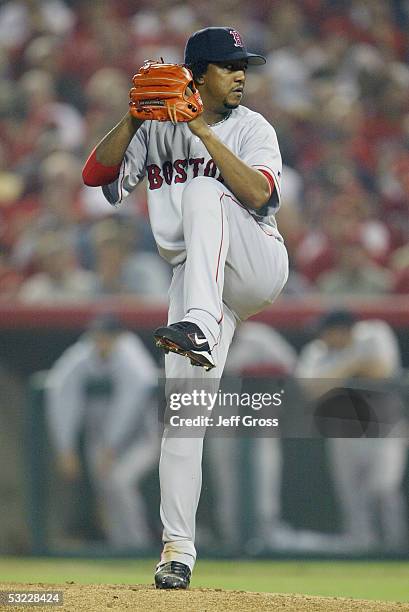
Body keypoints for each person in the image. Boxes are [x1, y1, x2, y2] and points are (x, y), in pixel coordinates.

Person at [82, 27, 288, 588]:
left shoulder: (252, 127)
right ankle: (177, 551)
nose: (241, 73)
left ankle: (198, 321)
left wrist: (198, 126)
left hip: (253, 263)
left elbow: (263, 196)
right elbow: (96, 176)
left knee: (204, 191)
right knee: (182, 423)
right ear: (197, 73)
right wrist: (133, 118)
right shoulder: (154, 131)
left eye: (243, 64)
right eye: (228, 65)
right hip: (194, 282)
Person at [296, 310, 408, 552]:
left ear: (342, 330)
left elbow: (382, 370)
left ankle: (394, 548)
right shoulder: (317, 350)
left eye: (327, 332)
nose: (322, 337)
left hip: (384, 429)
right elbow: (310, 388)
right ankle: (361, 549)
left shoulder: (374, 333)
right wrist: (353, 364)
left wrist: (335, 374)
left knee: (383, 490)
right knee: (352, 497)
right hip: (343, 432)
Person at [46, 314, 158, 550]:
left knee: (119, 482)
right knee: (106, 492)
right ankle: (119, 546)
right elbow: (60, 392)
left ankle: (137, 546)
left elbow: (130, 402)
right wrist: (65, 447)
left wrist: (110, 445)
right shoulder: (83, 353)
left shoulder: (131, 356)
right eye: (96, 335)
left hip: (142, 438)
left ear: (118, 336)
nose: (100, 341)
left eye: (106, 336)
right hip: (103, 439)